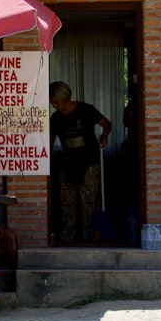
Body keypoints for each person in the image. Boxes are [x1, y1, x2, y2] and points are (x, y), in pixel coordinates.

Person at [49, 81, 112, 243]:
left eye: (56, 102)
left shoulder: (86, 110)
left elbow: (106, 123)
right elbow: (49, 142)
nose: (54, 106)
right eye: (52, 102)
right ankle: (66, 240)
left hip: (89, 164)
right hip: (67, 165)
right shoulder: (55, 119)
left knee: (89, 205)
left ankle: (89, 240)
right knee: (67, 206)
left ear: (64, 98)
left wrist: (104, 136)